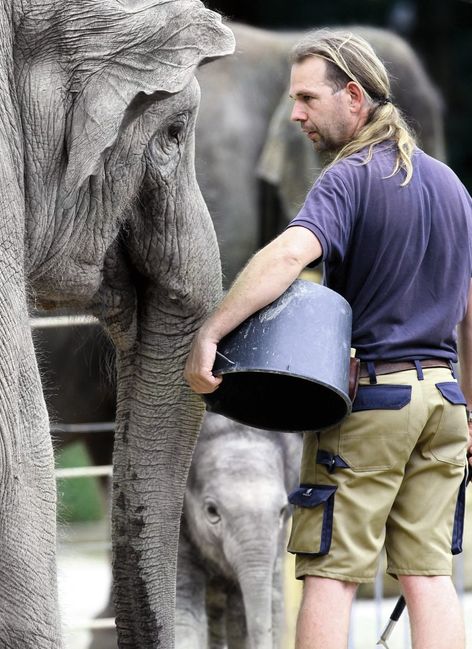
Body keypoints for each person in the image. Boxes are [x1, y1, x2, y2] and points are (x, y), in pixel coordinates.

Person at [184, 28, 472, 649]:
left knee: (329, 574)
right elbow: (469, 308)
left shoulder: (347, 179)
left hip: (375, 406)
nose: (295, 115)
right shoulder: (453, 187)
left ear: (353, 97)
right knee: (428, 575)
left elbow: (291, 254)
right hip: (443, 405)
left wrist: (213, 329)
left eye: (308, 99)